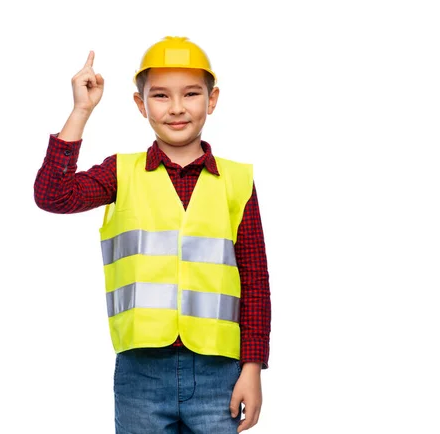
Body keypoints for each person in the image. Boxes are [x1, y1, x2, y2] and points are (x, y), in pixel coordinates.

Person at [34, 36, 271, 433]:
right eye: (160, 95)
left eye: (191, 93)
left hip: (220, 372)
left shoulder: (237, 180)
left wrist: (253, 368)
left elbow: (255, 279)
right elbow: (52, 195)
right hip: (140, 373)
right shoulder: (120, 172)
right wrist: (80, 111)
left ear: (212, 100)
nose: (176, 107)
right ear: (141, 104)